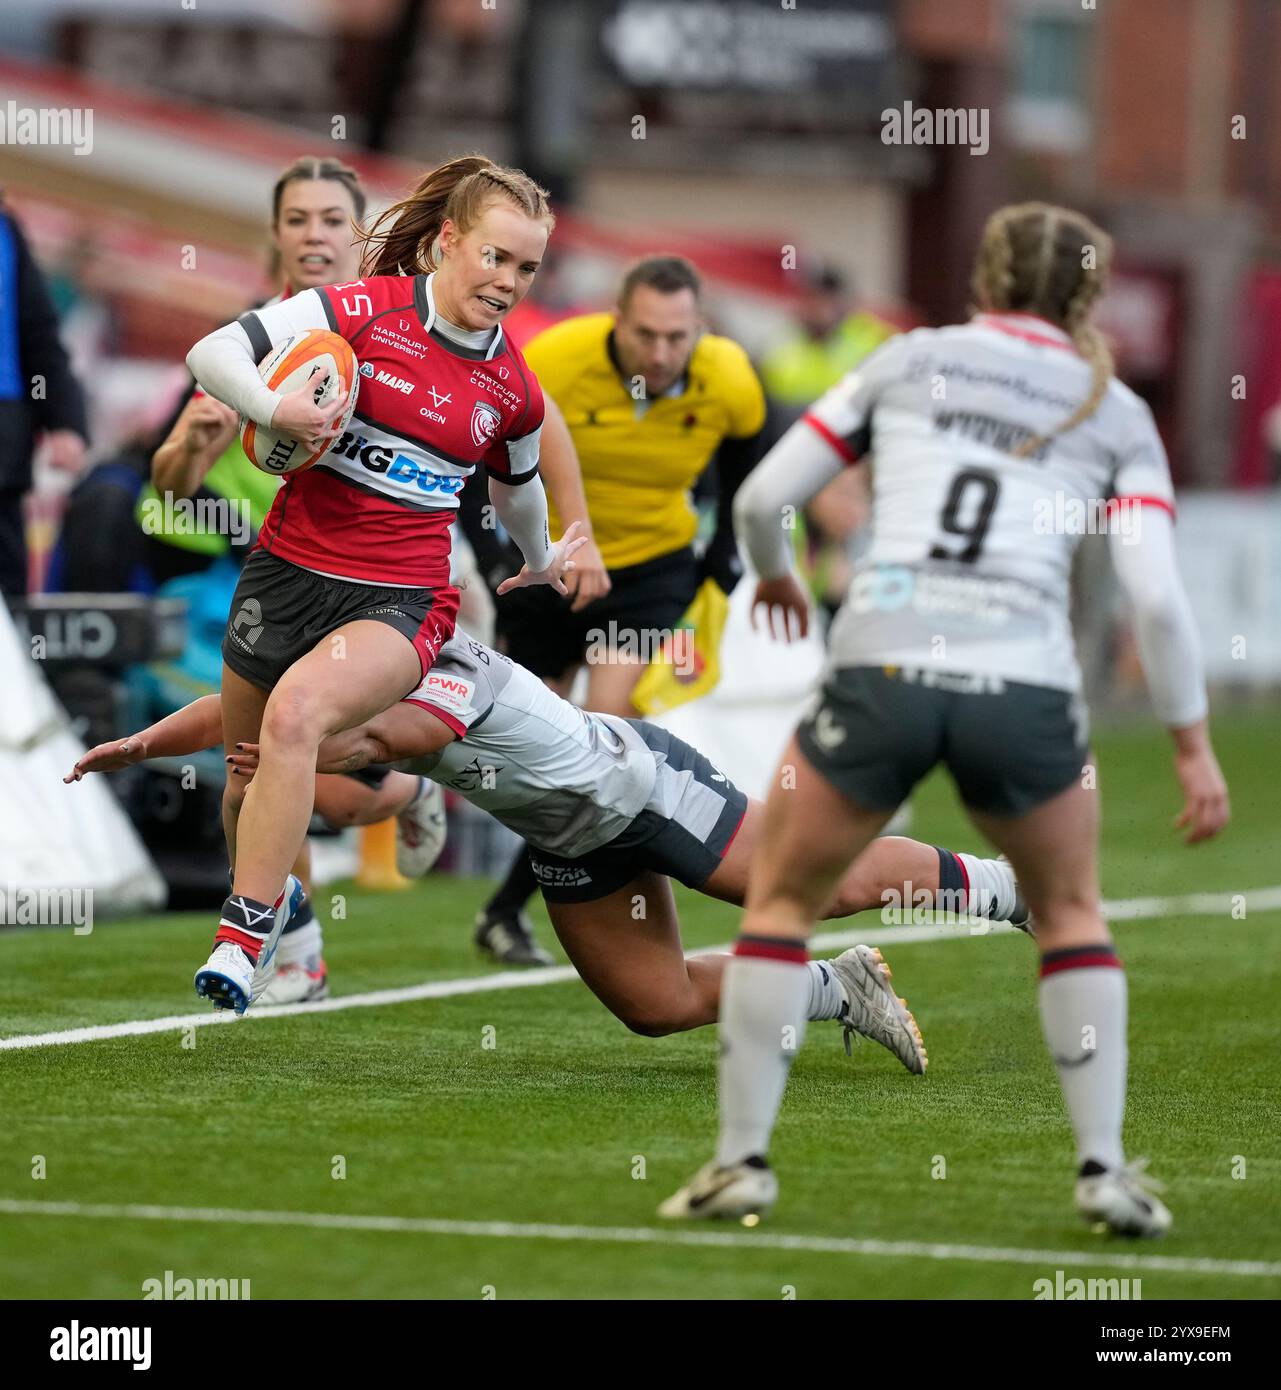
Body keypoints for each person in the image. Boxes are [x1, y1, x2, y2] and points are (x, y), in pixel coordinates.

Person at [661, 202, 1231, 1237]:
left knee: (782, 906)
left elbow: (764, 499)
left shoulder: (909, 358)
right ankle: (1103, 1171)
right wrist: (1192, 743)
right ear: (1085, 298)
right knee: (1070, 917)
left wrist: (782, 579)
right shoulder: (1116, 410)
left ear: (987, 276)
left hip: (883, 664)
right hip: (1023, 685)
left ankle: (740, 1163)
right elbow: (1155, 598)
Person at [68, 629, 1037, 1062]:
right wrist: (146, 743)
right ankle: (840, 990)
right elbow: (257, 709)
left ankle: (1008, 885)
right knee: (654, 1006)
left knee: (808, 886)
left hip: (643, 786)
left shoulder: (449, 661)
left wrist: (305, 740)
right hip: (571, 836)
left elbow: (401, 739)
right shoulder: (350, 667)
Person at [181, 154, 584, 1014]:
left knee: (295, 719)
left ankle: (243, 929)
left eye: (527, 267)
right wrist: (271, 405)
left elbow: (520, 486)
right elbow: (210, 351)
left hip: (400, 601)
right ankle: (287, 912)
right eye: (495, 257)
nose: (509, 281)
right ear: (446, 242)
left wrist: (541, 560)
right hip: (285, 572)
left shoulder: (510, 382)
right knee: (245, 780)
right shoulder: (356, 310)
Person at [148, 156, 441, 1005]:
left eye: (331, 220)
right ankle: (299, 949)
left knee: (338, 793)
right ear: (274, 235)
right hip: (275, 583)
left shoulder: (400, 330)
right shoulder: (244, 346)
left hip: (385, 590)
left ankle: (410, 789)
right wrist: (192, 449)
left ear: (362, 235)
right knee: (254, 778)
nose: (314, 236)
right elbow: (164, 491)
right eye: (297, 220)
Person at [462, 254, 767, 966]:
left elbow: (750, 460)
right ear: (616, 319)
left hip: (651, 573)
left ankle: (508, 911)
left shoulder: (729, 376)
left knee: (602, 742)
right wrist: (503, 560)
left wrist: (725, 549)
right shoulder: (558, 358)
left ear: (701, 329)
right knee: (529, 745)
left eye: (677, 338)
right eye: (646, 336)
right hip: (549, 566)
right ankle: (498, 902)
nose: (661, 354)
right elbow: (483, 455)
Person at [0, 196, 89, 599]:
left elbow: (38, 334)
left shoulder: (6, 231)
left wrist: (66, 423)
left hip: (5, 446)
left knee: (9, 596)